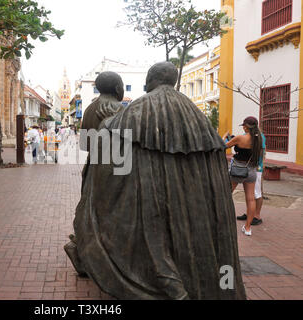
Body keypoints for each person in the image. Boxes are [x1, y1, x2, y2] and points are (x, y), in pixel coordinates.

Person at [68, 62, 246, 300]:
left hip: (153, 197)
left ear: (150, 81)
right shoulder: (198, 117)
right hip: (191, 207)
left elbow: (107, 150)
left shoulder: (131, 112)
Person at [64, 71, 125, 277]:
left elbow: (85, 144)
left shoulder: (90, 108)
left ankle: (82, 248)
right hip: (115, 167)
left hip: (93, 165)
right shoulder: (118, 109)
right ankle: (99, 258)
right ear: (118, 88)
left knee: (90, 209)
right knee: (110, 214)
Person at [223, 117, 263, 237]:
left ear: (246, 126)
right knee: (250, 199)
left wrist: (225, 136)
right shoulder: (259, 139)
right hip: (251, 170)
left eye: (243, 126)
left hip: (237, 170)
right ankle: (247, 228)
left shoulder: (241, 138)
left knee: (226, 194)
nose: (243, 127)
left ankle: (222, 222)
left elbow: (223, 146)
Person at [236, 129, 266, 226]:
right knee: (249, 194)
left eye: (245, 126)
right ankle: (250, 213)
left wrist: (261, 165)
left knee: (257, 193)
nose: (244, 128)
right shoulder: (245, 135)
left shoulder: (260, 136)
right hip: (247, 167)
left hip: (256, 167)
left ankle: (257, 215)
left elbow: (262, 152)